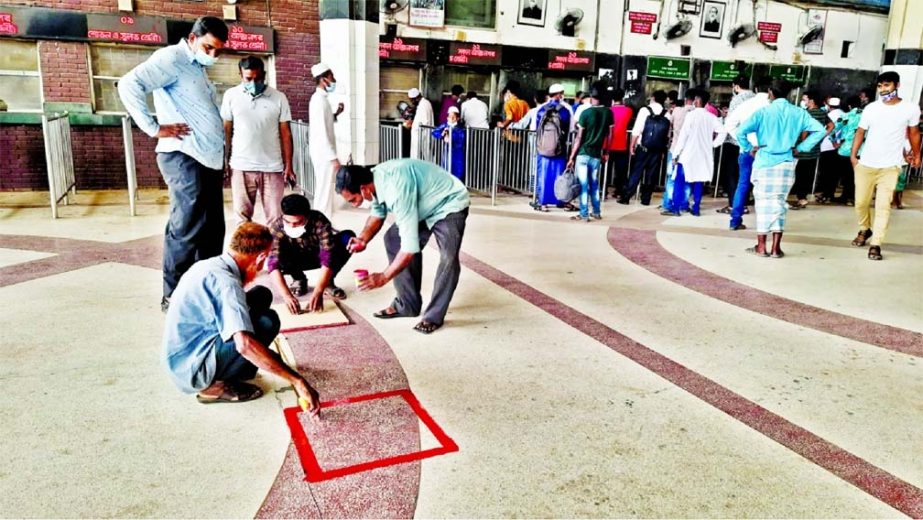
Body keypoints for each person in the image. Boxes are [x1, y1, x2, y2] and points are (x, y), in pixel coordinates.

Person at [119, 16, 229, 313]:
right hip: (184, 156)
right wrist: (154, 128)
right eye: (209, 48)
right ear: (193, 38)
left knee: (212, 228)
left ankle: (206, 286)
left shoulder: (196, 68)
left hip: (208, 158)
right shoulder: (171, 58)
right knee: (188, 225)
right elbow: (130, 84)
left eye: (219, 51)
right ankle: (174, 294)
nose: (213, 56)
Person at [162, 222, 320, 414]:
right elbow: (244, 345)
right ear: (261, 257)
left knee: (261, 294)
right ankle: (214, 388)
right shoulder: (227, 284)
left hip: (181, 356)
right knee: (266, 321)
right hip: (193, 370)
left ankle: (242, 366)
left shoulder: (210, 265)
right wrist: (297, 381)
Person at [335, 160, 470, 335]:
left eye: (353, 200)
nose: (353, 204)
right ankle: (407, 305)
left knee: (448, 258)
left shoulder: (396, 191)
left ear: (363, 189)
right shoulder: (373, 180)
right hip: (421, 205)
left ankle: (433, 316)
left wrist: (383, 277)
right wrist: (363, 239)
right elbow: (377, 213)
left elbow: (409, 248)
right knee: (393, 239)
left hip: (448, 202)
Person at [737, 79, 825, 258]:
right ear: (790, 93)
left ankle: (761, 247)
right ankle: (776, 248)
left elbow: (740, 132)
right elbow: (820, 130)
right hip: (786, 163)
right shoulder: (799, 113)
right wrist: (800, 148)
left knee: (762, 204)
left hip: (764, 162)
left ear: (770, 92)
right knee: (779, 203)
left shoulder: (763, 112)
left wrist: (749, 149)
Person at [848, 71, 922, 261]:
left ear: (896, 85)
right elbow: (860, 131)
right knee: (861, 203)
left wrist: (917, 154)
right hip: (866, 164)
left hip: (891, 166)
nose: (883, 90)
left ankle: (876, 244)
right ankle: (865, 229)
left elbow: (914, 134)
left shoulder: (910, 108)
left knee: (883, 206)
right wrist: (853, 155)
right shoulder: (871, 108)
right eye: (880, 86)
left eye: (887, 85)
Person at [221, 56, 294, 230]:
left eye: (258, 78)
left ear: (264, 75)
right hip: (241, 167)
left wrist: (289, 165)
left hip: (272, 167)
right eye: (248, 79)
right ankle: (246, 257)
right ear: (240, 75)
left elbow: (286, 134)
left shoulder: (278, 97)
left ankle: (274, 256)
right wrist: (224, 162)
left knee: (276, 220)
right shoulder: (231, 96)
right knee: (242, 219)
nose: (254, 83)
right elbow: (226, 131)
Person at [267, 194, 354, 314]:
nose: (292, 226)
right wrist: (286, 296)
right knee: (277, 253)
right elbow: (273, 265)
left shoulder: (319, 220)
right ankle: (298, 278)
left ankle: (328, 281)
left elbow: (328, 257)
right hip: (294, 259)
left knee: (347, 238)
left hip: (317, 256)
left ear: (307, 216)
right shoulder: (276, 226)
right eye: (287, 221)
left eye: (298, 222)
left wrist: (318, 290)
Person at [667, 89, 726, 216]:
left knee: (680, 182)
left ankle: (676, 208)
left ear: (697, 101)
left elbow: (683, 137)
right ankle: (696, 208)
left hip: (687, 155)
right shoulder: (711, 117)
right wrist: (713, 144)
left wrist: (676, 154)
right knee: (699, 181)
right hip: (704, 155)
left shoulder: (691, 116)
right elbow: (723, 131)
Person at [724, 77, 771, 230]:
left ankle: (735, 220)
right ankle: (767, 224)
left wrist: (745, 144)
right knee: (767, 188)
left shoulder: (745, 104)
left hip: (747, 151)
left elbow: (729, 124)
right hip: (768, 152)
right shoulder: (773, 106)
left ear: (755, 89)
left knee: (742, 184)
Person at [566, 83, 613, 222]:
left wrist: (571, 156)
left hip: (583, 153)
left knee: (583, 185)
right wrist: (606, 152)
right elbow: (610, 135)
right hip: (597, 155)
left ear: (591, 96)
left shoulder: (586, 113)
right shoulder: (608, 112)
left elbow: (579, 137)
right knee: (594, 184)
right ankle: (597, 212)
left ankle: (584, 213)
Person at [620, 90, 668, 205]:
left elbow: (637, 130)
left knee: (636, 172)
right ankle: (646, 199)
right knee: (651, 175)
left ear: (653, 98)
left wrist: (632, 146)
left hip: (643, 148)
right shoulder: (667, 114)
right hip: (657, 150)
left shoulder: (644, 110)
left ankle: (626, 197)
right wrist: (662, 151)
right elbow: (665, 134)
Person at [309, 63, 344, 218]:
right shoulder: (318, 100)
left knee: (324, 190)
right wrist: (333, 157)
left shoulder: (322, 99)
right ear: (323, 80)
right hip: (323, 154)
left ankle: (322, 222)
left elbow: (325, 122)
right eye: (331, 77)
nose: (334, 80)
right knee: (324, 192)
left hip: (321, 152)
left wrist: (336, 114)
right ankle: (321, 223)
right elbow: (322, 131)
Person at [716, 75, 755, 214]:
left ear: (736, 86)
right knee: (746, 175)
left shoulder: (737, 99)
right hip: (753, 143)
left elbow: (731, 122)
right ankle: (744, 202)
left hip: (735, 142)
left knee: (732, 175)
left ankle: (734, 204)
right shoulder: (755, 98)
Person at [532, 84, 574, 212]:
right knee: (559, 175)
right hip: (560, 149)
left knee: (543, 175)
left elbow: (534, 129)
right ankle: (561, 201)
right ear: (560, 94)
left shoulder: (540, 110)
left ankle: (543, 202)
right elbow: (571, 130)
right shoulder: (566, 109)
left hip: (543, 149)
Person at [789, 91, 830, 210]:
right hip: (815, 150)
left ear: (811, 101)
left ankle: (801, 198)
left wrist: (802, 144)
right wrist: (820, 137)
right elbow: (831, 125)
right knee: (808, 175)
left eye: (805, 99)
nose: (803, 102)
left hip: (803, 151)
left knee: (800, 174)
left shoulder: (807, 114)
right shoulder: (822, 113)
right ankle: (803, 197)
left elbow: (804, 131)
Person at [661, 92, 694, 214]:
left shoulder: (677, 111)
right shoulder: (698, 114)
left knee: (671, 178)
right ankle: (683, 204)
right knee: (687, 179)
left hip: (675, 149)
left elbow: (669, 125)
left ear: (686, 99)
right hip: (690, 152)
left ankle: (668, 203)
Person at [826, 95, 862, 205]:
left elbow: (834, 129)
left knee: (836, 174)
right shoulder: (867, 116)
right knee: (854, 175)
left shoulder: (846, 116)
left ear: (849, 105)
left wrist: (834, 142)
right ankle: (850, 197)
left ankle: (829, 195)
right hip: (861, 151)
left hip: (845, 150)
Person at [815, 96, 844, 204]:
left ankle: (825, 194)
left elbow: (825, 130)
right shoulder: (844, 114)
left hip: (826, 146)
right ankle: (830, 194)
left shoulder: (828, 115)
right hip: (839, 147)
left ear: (829, 106)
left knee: (825, 172)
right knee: (834, 173)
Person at [606, 88, 633, 199]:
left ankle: (603, 189)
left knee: (606, 169)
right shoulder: (628, 110)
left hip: (608, 144)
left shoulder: (608, 110)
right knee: (621, 171)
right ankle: (620, 191)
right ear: (622, 98)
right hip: (622, 144)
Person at [431, 106, 466, 181]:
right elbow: (434, 132)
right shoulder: (445, 126)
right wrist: (442, 134)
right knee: (446, 169)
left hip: (457, 152)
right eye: (450, 116)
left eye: (453, 117)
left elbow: (460, 138)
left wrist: (450, 137)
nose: (451, 118)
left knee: (457, 170)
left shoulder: (460, 128)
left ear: (457, 118)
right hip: (447, 152)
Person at [405, 87, 434, 160]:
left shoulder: (424, 105)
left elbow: (424, 122)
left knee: (425, 157)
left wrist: (411, 125)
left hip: (422, 135)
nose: (411, 102)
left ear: (416, 98)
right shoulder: (423, 103)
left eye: (412, 100)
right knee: (423, 156)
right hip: (421, 135)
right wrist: (413, 123)